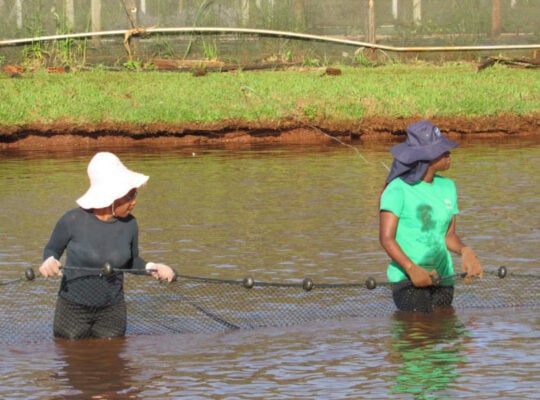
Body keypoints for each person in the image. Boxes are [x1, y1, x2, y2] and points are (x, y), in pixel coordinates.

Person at [39, 152, 175, 339]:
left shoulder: (130, 225)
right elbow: (52, 249)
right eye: (129, 196)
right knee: (71, 359)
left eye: (135, 194)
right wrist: (49, 261)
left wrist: (153, 267)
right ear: (112, 195)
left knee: (113, 361)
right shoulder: (72, 220)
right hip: (72, 309)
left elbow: (130, 261)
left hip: (112, 311)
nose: (134, 201)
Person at [379, 120, 483, 312]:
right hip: (409, 279)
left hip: (443, 277)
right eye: (442, 150)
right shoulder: (397, 190)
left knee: (444, 326)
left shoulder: (448, 187)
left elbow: (448, 235)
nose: (448, 153)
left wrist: (465, 251)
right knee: (420, 329)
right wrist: (411, 269)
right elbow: (386, 239)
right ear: (425, 157)